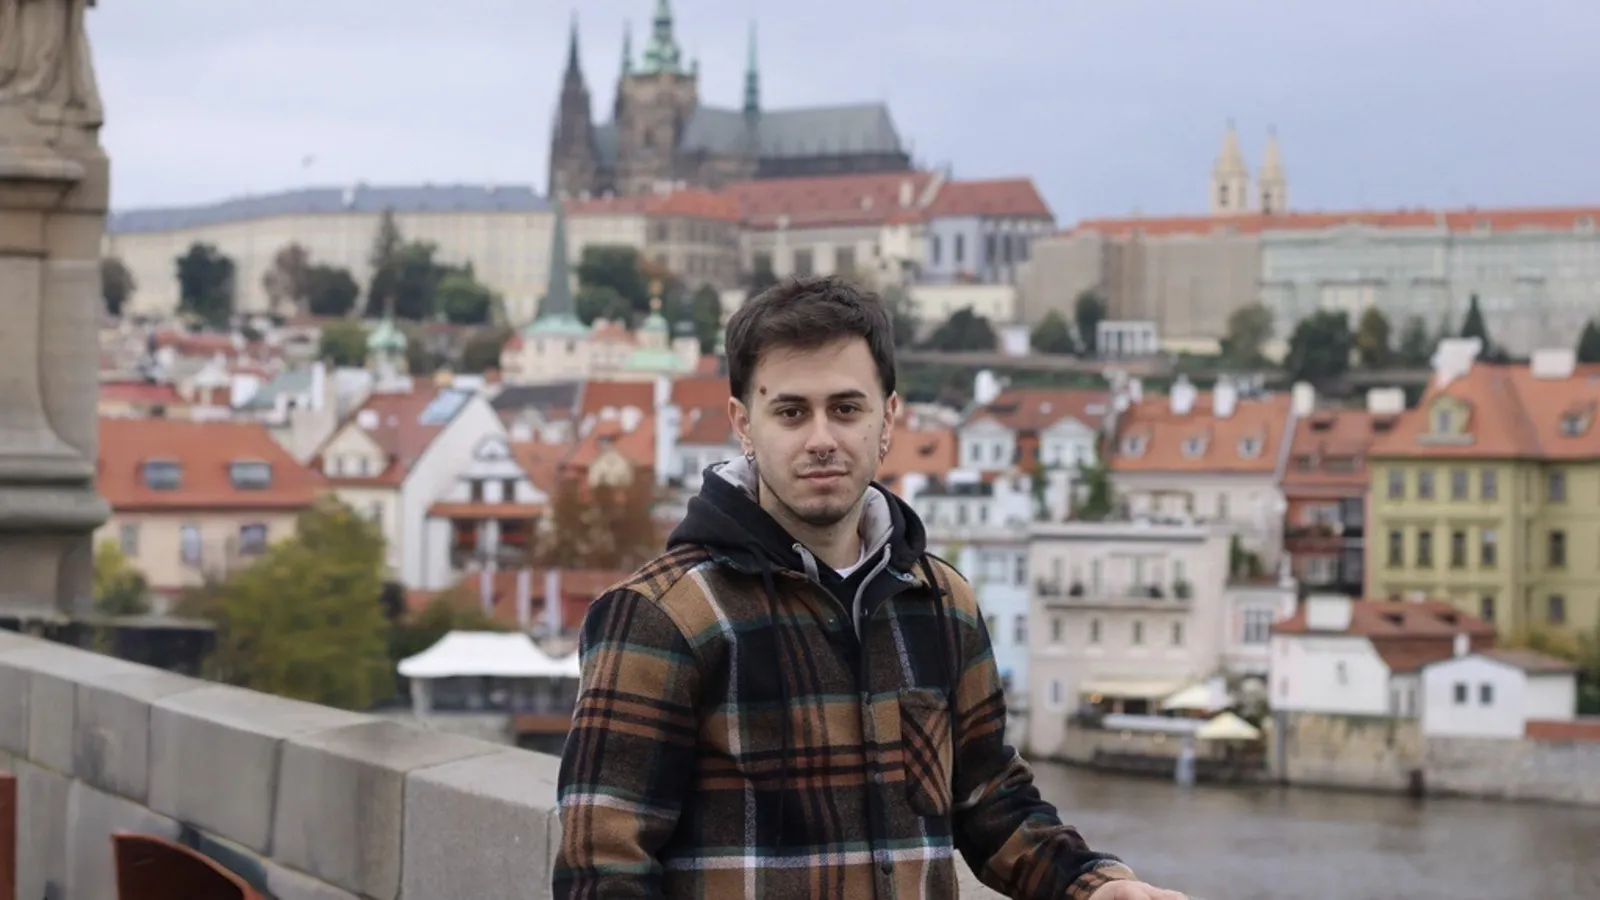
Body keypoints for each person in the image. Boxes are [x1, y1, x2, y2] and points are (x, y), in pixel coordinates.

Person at [554, 275, 1186, 899]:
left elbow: (991, 801)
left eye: (846, 409)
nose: (822, 439)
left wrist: (1091, 886)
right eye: (792, 412)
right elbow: (602, 872)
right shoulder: (661, 617)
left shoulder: (941, 603)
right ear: (744, 425)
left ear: (888, 418)